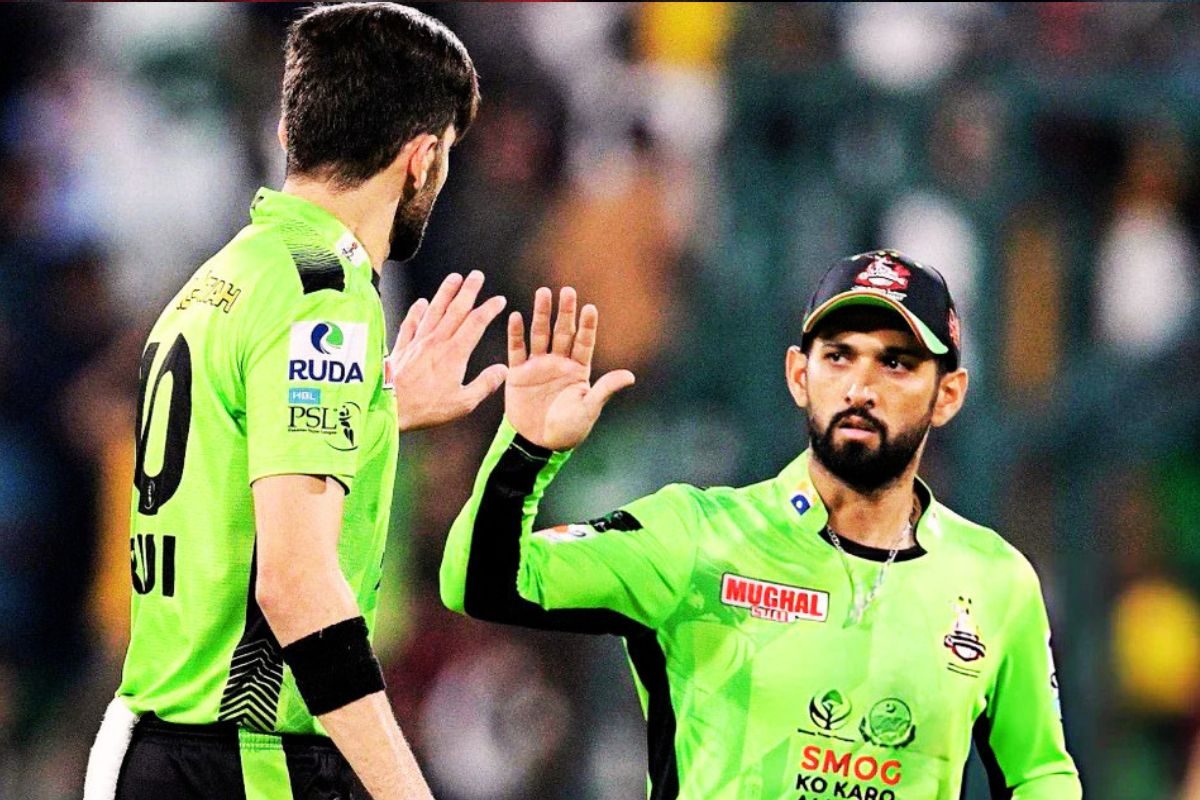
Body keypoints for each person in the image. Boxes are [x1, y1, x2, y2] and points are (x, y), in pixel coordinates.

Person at [440, 250, 1083, 799]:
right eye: (838, 356)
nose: (860, 387)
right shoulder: (697, 537)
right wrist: (526, 452)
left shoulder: (996, 581)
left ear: (948, 394)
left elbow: (1039, 773)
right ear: (799, 375)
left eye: (895, 363)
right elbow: (477, 584)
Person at [83, 4, 509, 799]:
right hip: (243, 757)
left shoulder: (226, 276)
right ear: (422, 158)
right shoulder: (327, 298)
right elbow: (295, 583)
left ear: (291, 132)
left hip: (162, 743)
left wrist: (378, 410)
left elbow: (238, 460)